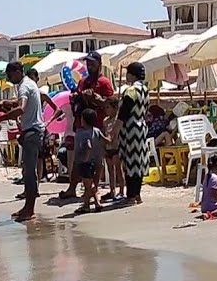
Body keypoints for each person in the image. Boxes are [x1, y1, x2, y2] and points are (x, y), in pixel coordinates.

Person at [0, 61, 45, 222]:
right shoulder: (28, 83)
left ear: (16, 72)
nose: (8, 79)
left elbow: (21, 108)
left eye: (9, 75)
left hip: (32, 132)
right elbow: (22, 104)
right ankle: (27, 206)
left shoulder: (23, 86)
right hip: (34, 131)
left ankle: (30, 209)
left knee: (29, 172)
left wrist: (0, 119)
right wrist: (6, 104)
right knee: (28, 170)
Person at [59, 51, 115, 199]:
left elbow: (111, 104)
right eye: (88, 63)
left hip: (97, 126)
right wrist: (78, 97)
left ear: (99, 64)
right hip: (82, 126)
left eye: (92, 63)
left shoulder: (104, 82)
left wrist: (96, 98)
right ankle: (72, 188)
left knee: (95, 160)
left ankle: (92, 190)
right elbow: (75, 98)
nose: (90, 66)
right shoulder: (83, 82)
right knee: (79, 158)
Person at [116, 62, 151, 205]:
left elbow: (123, 114)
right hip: (141, 128)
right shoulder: (145, 90)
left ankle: (130, 196)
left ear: (132, 74)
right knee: (139, 162)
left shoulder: (131, 91)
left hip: (130, 129)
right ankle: (137, 194)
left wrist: (114, 131)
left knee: (129, 162)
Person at [72, 108, 106, 213]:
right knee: (93, 184)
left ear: (83, 120)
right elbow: (105, 140)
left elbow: (87, 146)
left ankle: (87, 205)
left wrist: (85, 157)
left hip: (85, 162)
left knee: (88, 185)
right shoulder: (97, 130)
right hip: (98, 161)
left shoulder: (80, 133)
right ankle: (96, 203)